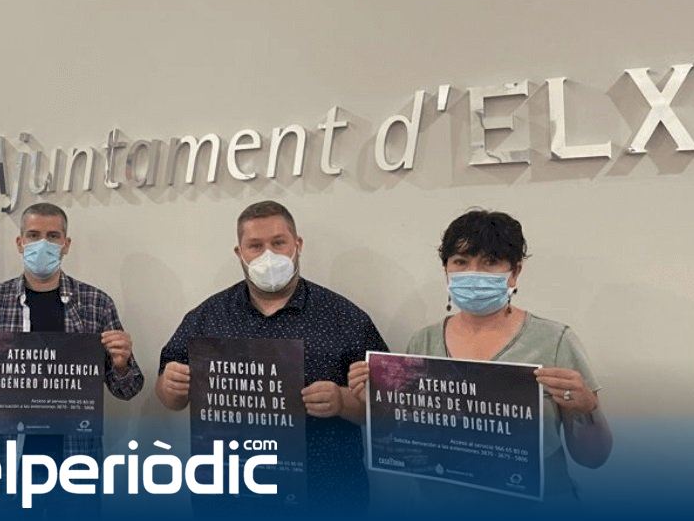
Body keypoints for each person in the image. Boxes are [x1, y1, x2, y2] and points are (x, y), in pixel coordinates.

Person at [349, 209, 613, 508]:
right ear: (446, 270)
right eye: (461, 262)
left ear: (515, 272)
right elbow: (410, 438)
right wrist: (378, 401)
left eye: (490, 261)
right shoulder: (423, 342)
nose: (473, 273)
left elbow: (593, 458)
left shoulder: (554, 341)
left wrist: (588, 410)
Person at [156, 200, 388, 513]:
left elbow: (388, 412)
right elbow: (170, 398)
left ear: (298, 244)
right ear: (239, 252)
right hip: (229, 497)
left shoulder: (345, 318)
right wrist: (169, 387)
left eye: (278, 243)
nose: (268, 255)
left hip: (327, 495)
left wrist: (342, 401)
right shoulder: (207, 317)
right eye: (255, 245)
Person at [0, 202, 144, 516]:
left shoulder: (96, 303)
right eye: (33, 235)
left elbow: (127, 389)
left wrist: (121, 363)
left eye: (53, 236)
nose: (42, 244)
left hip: (75, 465)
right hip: (7, 466)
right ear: (20, 242)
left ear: (66, 244)